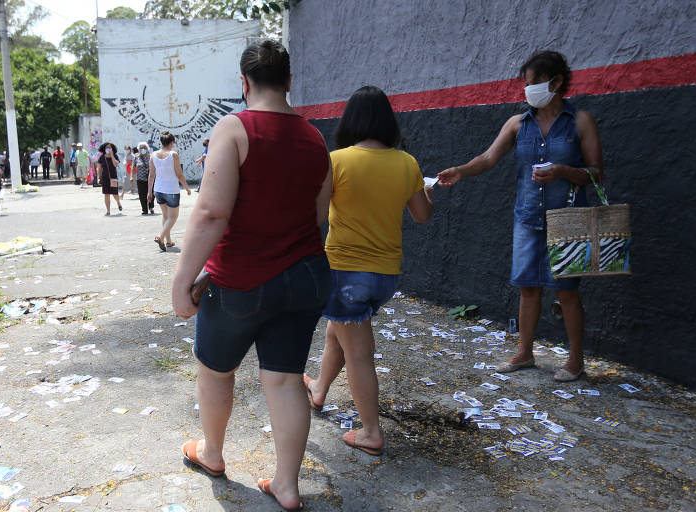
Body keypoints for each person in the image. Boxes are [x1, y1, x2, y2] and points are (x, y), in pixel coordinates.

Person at [171, 39, 331, 511]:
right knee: (284, 381)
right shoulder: (316, 137)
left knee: (217, 372)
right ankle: (286, 484)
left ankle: (214, 453)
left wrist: (183, 281)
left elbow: (210, 214)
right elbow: (319, 215)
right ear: (288, 81)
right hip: (305, 278)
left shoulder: (234, 129)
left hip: (240, 281)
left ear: (244, 83)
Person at [437, 50, 604, 382]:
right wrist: (460, 171)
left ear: (556, 82)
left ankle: (575, 360)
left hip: (568, 218)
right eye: (526, 84)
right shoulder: (517, 123)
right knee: (527, 288)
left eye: (534, 83)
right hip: (527, 217)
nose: (528, 90)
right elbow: (487, 158)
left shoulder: (580, 121)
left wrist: (563, 171)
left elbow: (597, 174)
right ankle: (524, 353)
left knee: (567, 291)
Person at [305, 85, 434, 457]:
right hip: (386, 276)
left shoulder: (337, 160)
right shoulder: (407, 163)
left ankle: (371, 432)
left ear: (350, 121)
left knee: (358, 351)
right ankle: (319, 390)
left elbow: (315, 217)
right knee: (339, 331)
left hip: (345, 272)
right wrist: (424, 191)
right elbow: (423, 215)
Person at [147, 131, 191, 250]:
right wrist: (187, 187)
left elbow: (151, 175)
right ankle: (160, 236)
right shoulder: (173, 155)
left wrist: (149, 192)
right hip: (171, 190)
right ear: (171, 142)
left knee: (166, 216)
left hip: (158, 190)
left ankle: (169, 241)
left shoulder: (153, 155)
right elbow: (179, 174)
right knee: (173, 217)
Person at [97, 142, 123, 215]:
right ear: (104, 149)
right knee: (106, 194)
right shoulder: (101, 157)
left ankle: (118, 203)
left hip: (113, 178)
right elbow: (99, 169)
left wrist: (112, 155)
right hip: (105, 178)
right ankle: (108, 211)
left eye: (109, 147)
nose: (108, 149)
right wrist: (98, 178)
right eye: (106, 147)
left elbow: (115, 164)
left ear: (112, 149)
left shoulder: (115, 156)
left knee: (115, 194)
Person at [134, 143, 154, 215]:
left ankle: (151, 207)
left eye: (144, 148)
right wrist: (131, 176)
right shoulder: (136, 157)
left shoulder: (151, 157)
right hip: (140, 178)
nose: (143, 149)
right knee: (142, 195)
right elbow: (133, 167)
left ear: (147, 149)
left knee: (151, 193)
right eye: (141, 148)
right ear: (139, 149)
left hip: (150, 178)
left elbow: (154, 167)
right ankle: (144, 209)